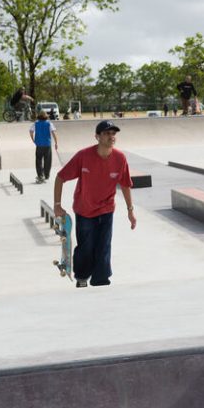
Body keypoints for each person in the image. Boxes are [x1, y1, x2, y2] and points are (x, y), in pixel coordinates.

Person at [53, 120, 136, 288]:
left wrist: (130, 211)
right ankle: (82, 276)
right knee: (86, 246)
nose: (111, 137)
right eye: (106, 133)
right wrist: (57, 204)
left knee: (104, 245)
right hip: (85, 209)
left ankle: (101, 279)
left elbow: (126, 184)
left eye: (113, 134)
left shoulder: (120, 158)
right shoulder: (83, 156)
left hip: (106, 209)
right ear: (97, 137)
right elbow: (60, 177)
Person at [29, 110, 59, 183]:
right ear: (46, 117)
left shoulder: (35, 123)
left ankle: (40, 175)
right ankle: (46, 175)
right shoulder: (49, 123)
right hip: (47, 145)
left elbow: (31, 131)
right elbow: (53, 133)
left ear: (39, 116)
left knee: (38, 160)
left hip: (39, 145)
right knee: (47, 160)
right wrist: (56, 143)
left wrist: (33, 139)